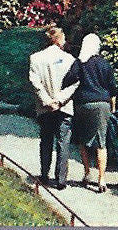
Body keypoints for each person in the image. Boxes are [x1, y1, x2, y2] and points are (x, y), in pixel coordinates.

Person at [27, 25, 78, 188]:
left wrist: (47, 100)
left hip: (44, 108)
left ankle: (44, 174)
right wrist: (59, 100)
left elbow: (35, 82)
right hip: (63, 107)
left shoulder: (35, 58)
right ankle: (61, 179)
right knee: (63, 142)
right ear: (58, 39)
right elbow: (75, 83)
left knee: (46, 140)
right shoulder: (70, 59)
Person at [66, 32, 117, 193]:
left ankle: (87, 173)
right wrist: (112, 108)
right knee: (101, 142)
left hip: (83, 103)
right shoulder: (105, 64)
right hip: (102, 104)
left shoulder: (79, 63)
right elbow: (112, 89)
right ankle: (102, 179)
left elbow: (68, 80)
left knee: (82, 139)